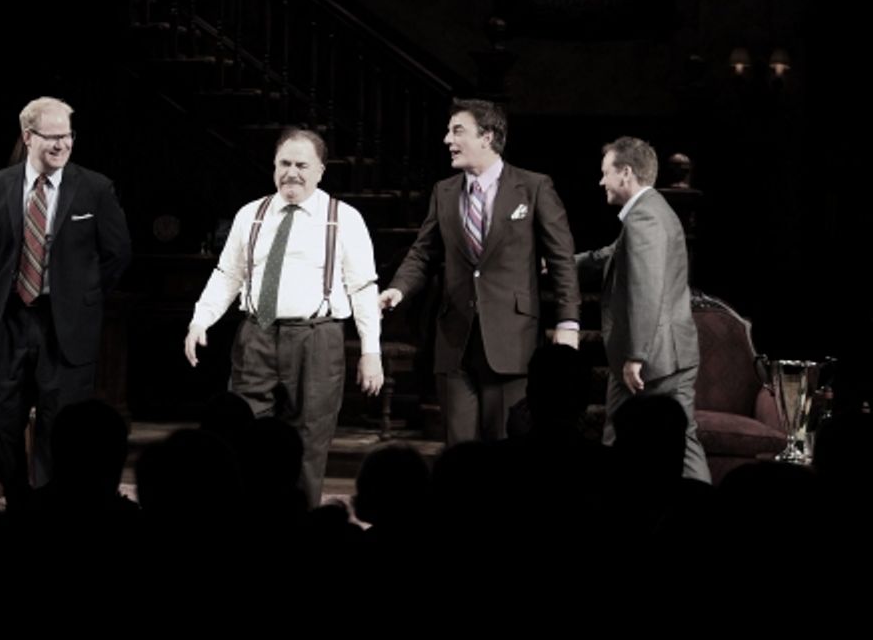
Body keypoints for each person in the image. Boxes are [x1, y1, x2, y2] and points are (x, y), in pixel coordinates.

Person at [184, 127, 383, 506]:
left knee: (309, 438)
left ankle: (301, 523)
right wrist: (201, 320)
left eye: (302, 165)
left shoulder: (343, 218)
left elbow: (363, 288)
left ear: (321, 170)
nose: (291, 172)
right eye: (284, 163)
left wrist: (371, 352)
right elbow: (228, 274)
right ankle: (248, 518)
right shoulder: (251, 214)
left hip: (316, 337)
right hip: (256, 334)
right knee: (242, 431)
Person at [379, 99, 580, 444]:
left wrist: (568, 322)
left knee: (504, 447)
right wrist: (399, 288)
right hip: (455, 338)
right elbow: (423, 253)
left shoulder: (533, 187)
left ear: (487, 137)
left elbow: (561, 259)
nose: (447, 140)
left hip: (511, 339)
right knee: (460, 450)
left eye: (457, 131)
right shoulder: (444, 192)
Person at [0, 96, 131, 505]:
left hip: (64, 326)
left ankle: (49, 505)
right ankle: (19, 497)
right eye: (52, 136)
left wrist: (84, 298)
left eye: (68, 135)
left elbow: (118, 253)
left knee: (58, 423)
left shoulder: (95, 188)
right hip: (10, 320)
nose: (62, 144)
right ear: (28, 137)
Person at [577, 136, 710, 482]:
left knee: (615, 436)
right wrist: (561, 264)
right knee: (685, 441)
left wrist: (636, 354)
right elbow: (611, 255)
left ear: (625, 173)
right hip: (674, 353)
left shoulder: (643, 220)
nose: (601, 181)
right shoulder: (653, 211)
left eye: (605, 173)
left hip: (651, 358)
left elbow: (645, 289)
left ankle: (611, 510)